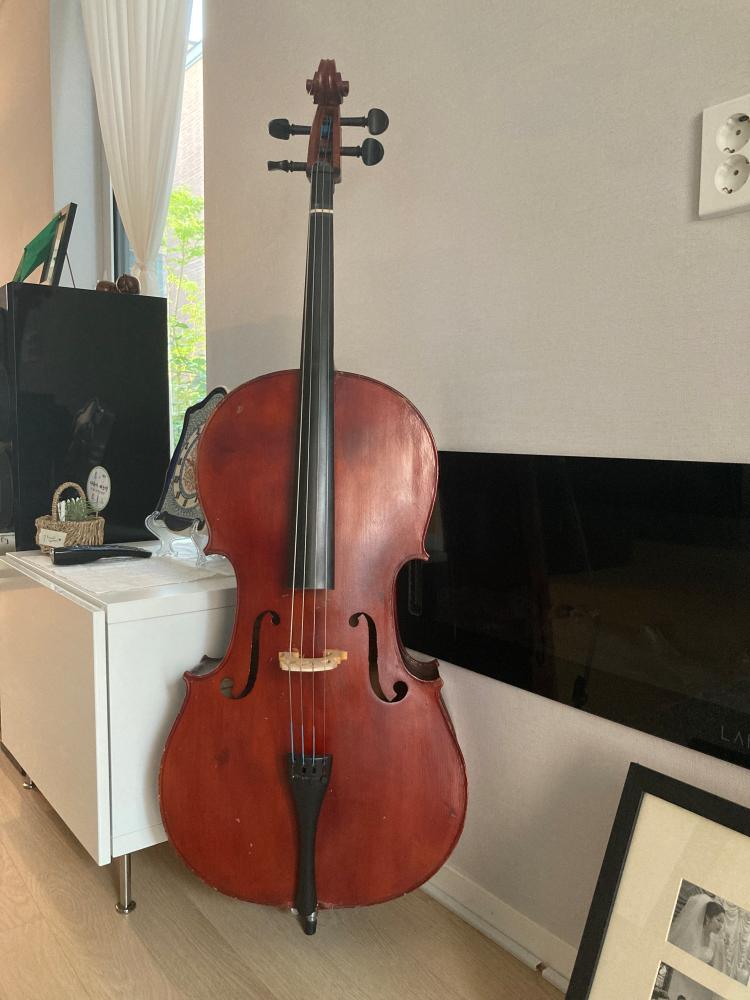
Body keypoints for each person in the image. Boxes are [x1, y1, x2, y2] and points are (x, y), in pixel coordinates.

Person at [668, 893, 728, 999]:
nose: (721, 926)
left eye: (722, 922)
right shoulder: (691, 934)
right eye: (718, 920)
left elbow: (716, 970)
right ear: (708, 918)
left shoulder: (714, 941)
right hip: (682, 981)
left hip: (699, 986)